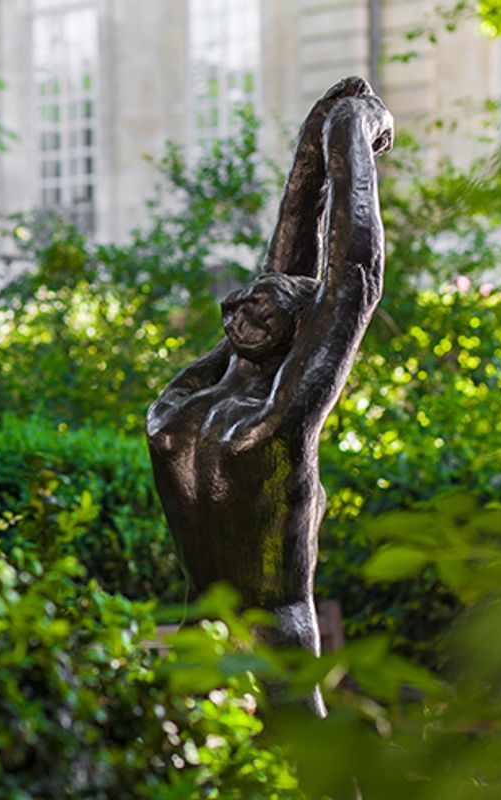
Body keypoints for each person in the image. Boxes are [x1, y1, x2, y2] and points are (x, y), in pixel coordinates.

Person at [146, 77, 394, 716]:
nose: (243, 303)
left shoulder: (205, 413)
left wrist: (330, 149)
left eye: (265, 301)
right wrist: (333, 138)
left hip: (237, 627)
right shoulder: (234, 415)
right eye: (247, 299)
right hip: (242, 626)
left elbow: (336, 278)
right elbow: (322, 274)